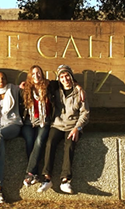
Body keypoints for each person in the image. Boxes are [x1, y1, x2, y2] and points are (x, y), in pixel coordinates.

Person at [37, 65, 89, 194]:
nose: (65, 79)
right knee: (50, 143)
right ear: (59, 79)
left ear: (71, 77)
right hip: (57, 124)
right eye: (62, 77)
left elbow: (85, 113)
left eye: (67, 76)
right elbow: (39, 83)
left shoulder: (79, 93)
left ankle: (65, 180)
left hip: (73, 126)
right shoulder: (56, 90)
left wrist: (78, 128)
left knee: (69, 145)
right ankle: (47, 178)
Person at [0, 71, 23, 203]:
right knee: (0, 149)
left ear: (7, 80)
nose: (1, 80)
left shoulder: (14, 89)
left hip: (13, 125)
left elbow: (28, 87)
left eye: (3, 78)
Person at [21, 65, 52, 187]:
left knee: (39, 141)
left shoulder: (48, 87)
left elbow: (65, 82)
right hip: (29, 122)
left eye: (38, 73)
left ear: (42, 74)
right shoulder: (26, 89)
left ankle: (30, 173)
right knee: (29, 141)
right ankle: (34, 173)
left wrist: (78, 86)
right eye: (33, 74)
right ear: (30, 76)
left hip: (44, 121)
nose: (36, 76)